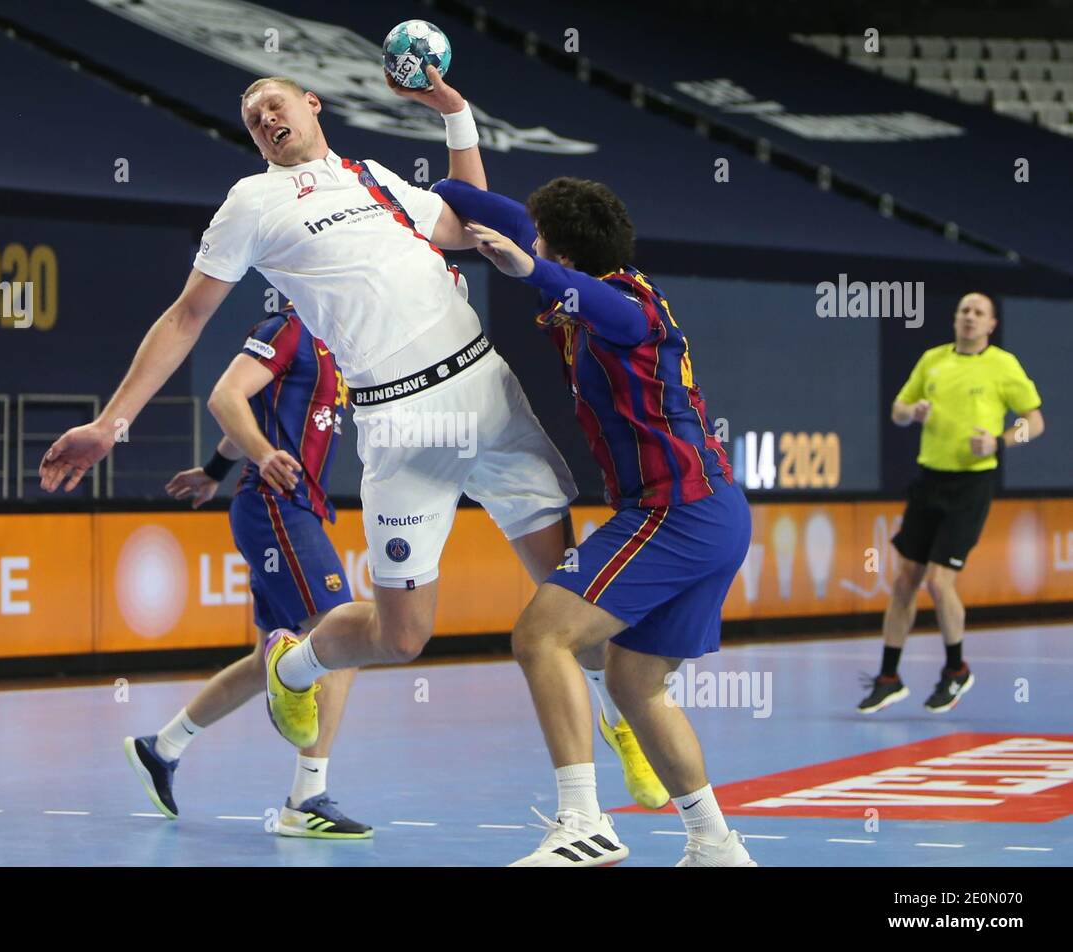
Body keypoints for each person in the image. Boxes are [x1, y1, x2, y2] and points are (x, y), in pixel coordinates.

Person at [38, 66, 661, 859]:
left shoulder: (373, 177)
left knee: (567, 591)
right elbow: (188, 314)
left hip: (484, 393)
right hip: (398, 422)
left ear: (312, 105)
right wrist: (112, 421)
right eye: (252, 113)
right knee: (404, 638)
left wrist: (456, 115)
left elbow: (473, 225)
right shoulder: (251, 205)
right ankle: (297, 665)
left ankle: (597, 785)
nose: (265, 116)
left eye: (276, 102)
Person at [431, 175, 756, 867]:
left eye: (545, 240)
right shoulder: (585, 281)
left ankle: (583, 821)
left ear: (566, 257)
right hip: (710, 513)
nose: (533, 240)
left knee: (539, 638)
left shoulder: (630, 306)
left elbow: (605, 309)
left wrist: (531, 270)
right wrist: (449, 116)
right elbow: (490, 206)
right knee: (636, 682)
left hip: (677, 511)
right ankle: (716, 845)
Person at [124, 305, 370, 838]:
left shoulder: (334, 339)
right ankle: (307, 798)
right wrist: (263, 456)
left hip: (289, 507)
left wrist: (213, 471)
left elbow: (252, 415)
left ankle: (161, 748)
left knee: (272, 660)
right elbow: (224, 397)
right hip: (277, 504)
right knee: (341, 635)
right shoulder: (286, 328)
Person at [858, 292, 1044, 714]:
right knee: (905, 579)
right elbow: (898, 410)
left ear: (991, 324)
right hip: (929, 481)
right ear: (955, 318)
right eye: (964, 310)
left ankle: (956, 670)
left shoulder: (1003, 366)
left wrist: (999, 441)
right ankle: (889, 678)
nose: (970, 318)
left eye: (979, 312)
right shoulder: (933, 360)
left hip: (972, 485)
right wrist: (913, 411)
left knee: (939, 582)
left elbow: (1035, 421)